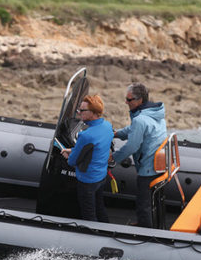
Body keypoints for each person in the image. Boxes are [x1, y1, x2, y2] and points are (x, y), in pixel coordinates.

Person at [111, 83, 167, 228]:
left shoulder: (140, 119)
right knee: (151, 200)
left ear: (139, 100)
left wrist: (113, 158)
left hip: (149, 167)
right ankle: (148, 223)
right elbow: (133, 129)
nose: (126, 102)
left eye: (129, 100)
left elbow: (132, 146)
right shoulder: (154, 113)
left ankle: (145, 230)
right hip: (160, 164)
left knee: (143, 202)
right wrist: (117, 134)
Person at [61, 95, 113, 223]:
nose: (79, 113)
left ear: (94, 113)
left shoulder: (85, 135)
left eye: (82, 110)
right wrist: (73, 150)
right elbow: (96, 149)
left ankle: (93, 238)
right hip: (101, 177)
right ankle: (107, 229)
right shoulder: (107, 126)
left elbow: (73, 161)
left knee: (89, 214)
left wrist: (68, 155)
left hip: (87, 181)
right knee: (100, 208)